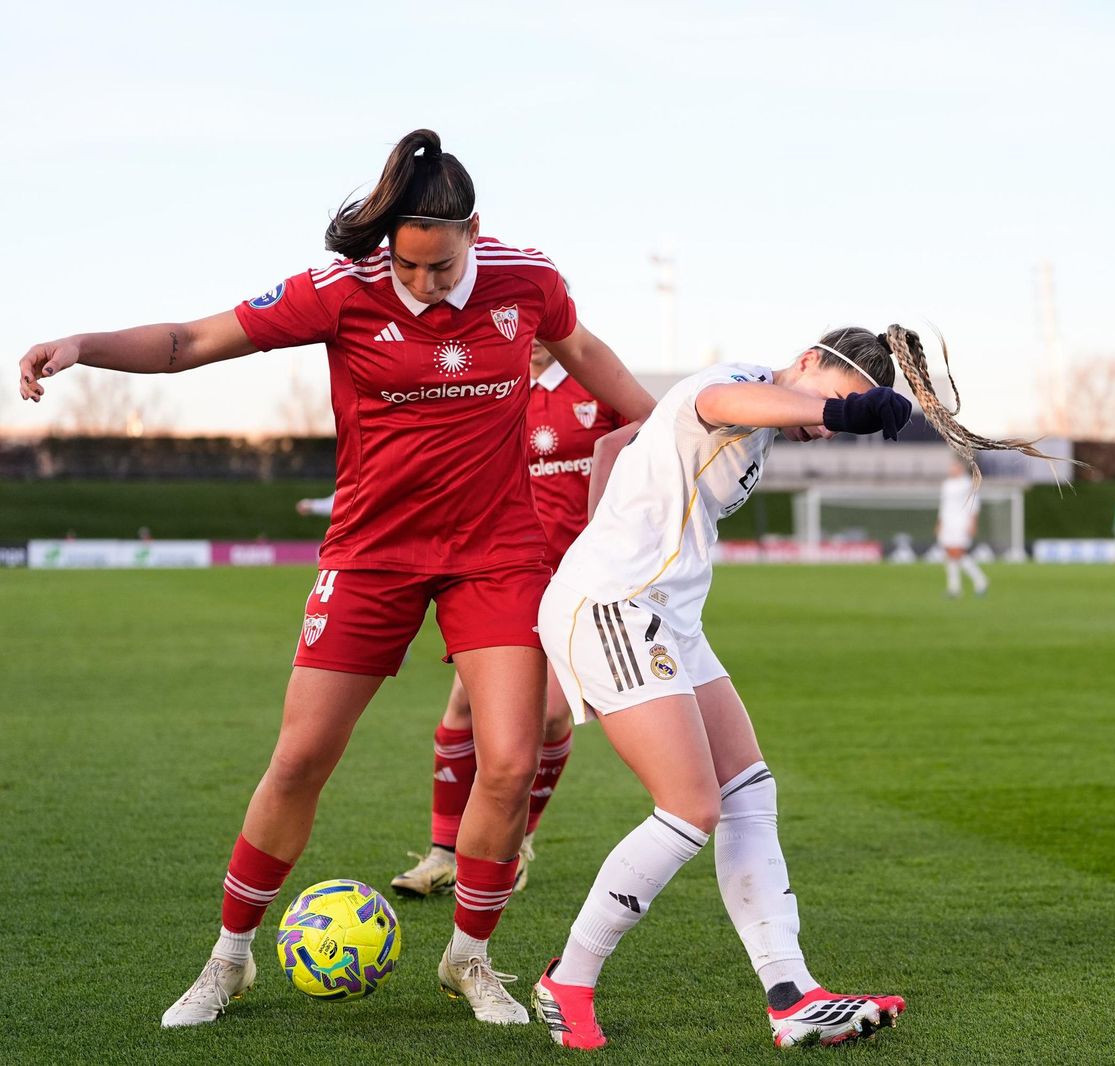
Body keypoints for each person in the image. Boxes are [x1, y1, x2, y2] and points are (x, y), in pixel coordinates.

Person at [17, 129, 655, 1028]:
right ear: (385, 242)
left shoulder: (528, 277)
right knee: (300, 759)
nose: (425, 284)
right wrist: (82, 343)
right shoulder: (340, 290)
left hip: (495, 552)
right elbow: (189, 340)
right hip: (371, 554)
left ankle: (471, 960)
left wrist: (670, 427)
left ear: (477, 230)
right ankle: (229, 957)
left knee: (511, 763)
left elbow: (585, 351)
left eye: (442, 265)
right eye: (409, 265)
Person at [532, 325, 1053, 1050]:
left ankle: (792, 996)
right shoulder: (739, 383)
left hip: (666, 610)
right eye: (834, 402)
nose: (828, 428)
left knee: (749, 788)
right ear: (808, 361)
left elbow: (613, 447)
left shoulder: (771, 417)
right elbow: (724, 400)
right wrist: (838, 412)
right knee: (689, 807)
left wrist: (609, 533)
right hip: (618, 605)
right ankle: (569, 980)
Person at [391, 342, 624, 898]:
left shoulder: (601, 386)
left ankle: (516, 843)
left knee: (546, 718)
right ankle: (443, 852)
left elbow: (647, 446)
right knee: (464, 706)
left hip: (582, 582)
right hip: (503, 574)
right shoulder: (491, 383)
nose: (537, 335)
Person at [936, 458, 988, 597]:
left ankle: (980, 580)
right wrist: (940, 523)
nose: (951, 469)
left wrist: (973, 522)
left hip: (961, 521)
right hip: (948, 521)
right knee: (949, 553)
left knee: (957, 552)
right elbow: (944, 505)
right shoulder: (946, 484)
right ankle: (954, 588)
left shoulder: (967, 483)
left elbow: (974, 503)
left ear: (960, 468)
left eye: (954, 466)